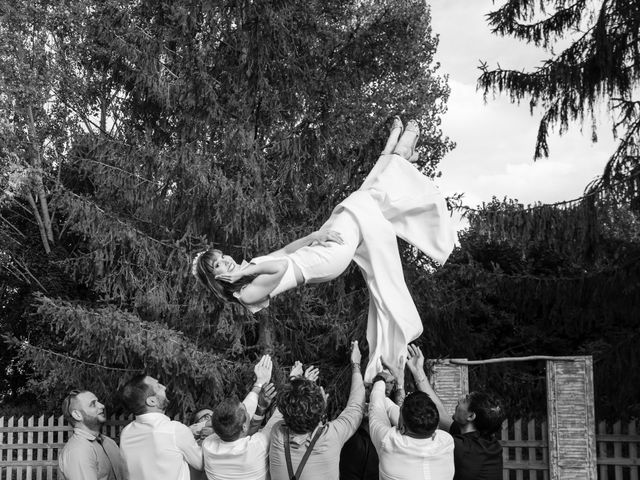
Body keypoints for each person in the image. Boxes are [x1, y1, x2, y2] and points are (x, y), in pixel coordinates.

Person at [192, 118, 456, 382]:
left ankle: (395, 156)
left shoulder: (249, 270)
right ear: (215, 279)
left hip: (316, 249)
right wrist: (241, 275)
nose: (225, 260)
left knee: (367, 198)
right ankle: (398, 155)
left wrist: (314, 235)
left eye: (221, 256)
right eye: (217, 264)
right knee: (361, 201)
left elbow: (285, 251)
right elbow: (283, 266)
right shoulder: (246, 294)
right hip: (324, 261)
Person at [407, 344, 504, 480]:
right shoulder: (487, 443)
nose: (460, 399)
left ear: (471, 416)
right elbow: (440, 413)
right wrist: (418, 372)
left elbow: (410, 441)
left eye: (466, 400)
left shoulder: (461, 448)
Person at [368, 358, 455, 480]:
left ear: (402, 428)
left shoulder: (388, 441)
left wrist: (381, 379)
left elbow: (376, 409)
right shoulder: (446, 441)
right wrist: (399, 384)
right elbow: (400, 415)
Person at [202, 355, 281, 480]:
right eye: (247, 413)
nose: (249, 411)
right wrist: (294, 383)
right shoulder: (258, 446)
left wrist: (259, 383)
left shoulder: (208, 446)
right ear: (244, 427)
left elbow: (237, 422)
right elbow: (275, 421)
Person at [119, 374, 203, 480]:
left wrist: (188, 432)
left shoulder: (126, 433)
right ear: (152, 401)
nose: (164, 387)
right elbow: (201, 463)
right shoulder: (174, 430)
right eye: (158, 386)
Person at [58, 390, 128, 480]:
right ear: (77, 415)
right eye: (93, 404)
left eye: (98, 402)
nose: (102, 406)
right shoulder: (78, 451)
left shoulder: (109, 443)